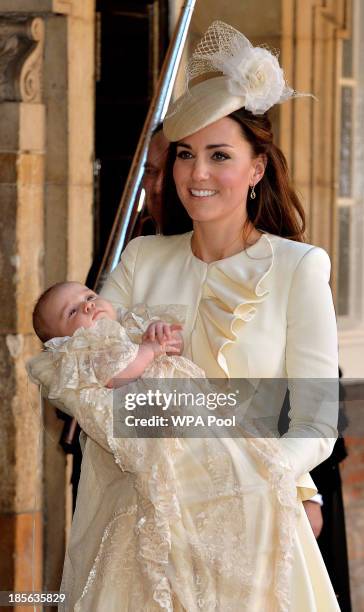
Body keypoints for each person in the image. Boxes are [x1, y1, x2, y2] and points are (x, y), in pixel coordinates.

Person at [100, 20, 340, 611]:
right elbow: (94, 380)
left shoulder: (299, 267)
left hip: (256, 526)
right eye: (184, 155)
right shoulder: (140, 258)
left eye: (219, 156)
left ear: (257, 168)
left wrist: (260, 479)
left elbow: (316, 419)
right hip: (146, 528)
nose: (197, 174)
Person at [28, 282, 303, 611]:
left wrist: (160, 336)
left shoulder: (128, 325)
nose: (87, 306)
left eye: (89, 297)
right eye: (72, 311)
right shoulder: (86, 350)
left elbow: (174, 346)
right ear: (60, 340)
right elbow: (116, 373)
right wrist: (147, 351)